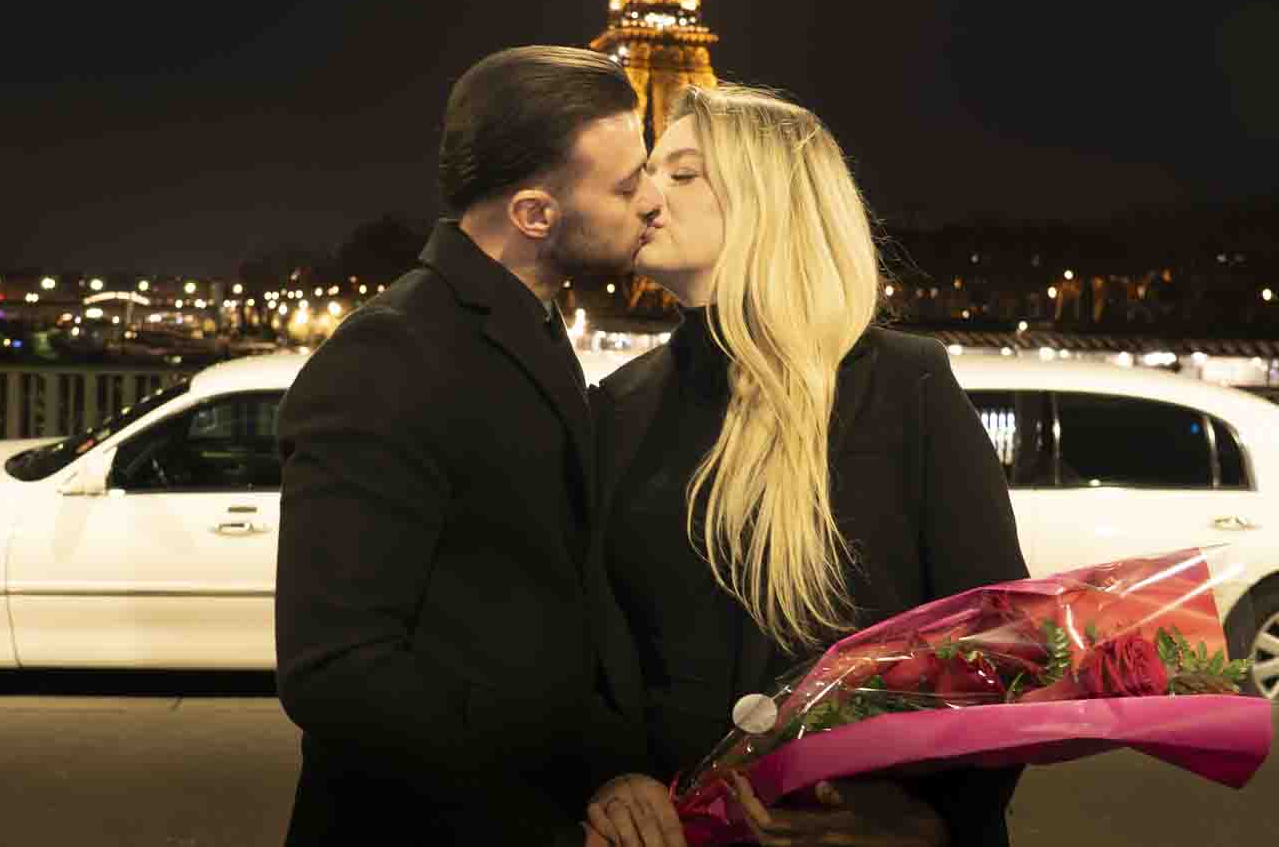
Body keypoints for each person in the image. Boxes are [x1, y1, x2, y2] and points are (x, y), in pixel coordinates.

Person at [585, 84, 1029, 847]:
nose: (646, 195)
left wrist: (932, 821)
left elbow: (1000, 641)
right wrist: (610, 773)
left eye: (683, 174)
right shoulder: (619, 404)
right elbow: (593, 647)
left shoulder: (906, 385)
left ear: (772, 199)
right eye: (648, 172)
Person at [273, 45, 664, 846]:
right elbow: (337, 673)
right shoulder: (385, 358)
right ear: (533, 214)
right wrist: (541, 813)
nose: (654, 200)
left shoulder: (520, 322)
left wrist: (605, 764)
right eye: (627, 184)